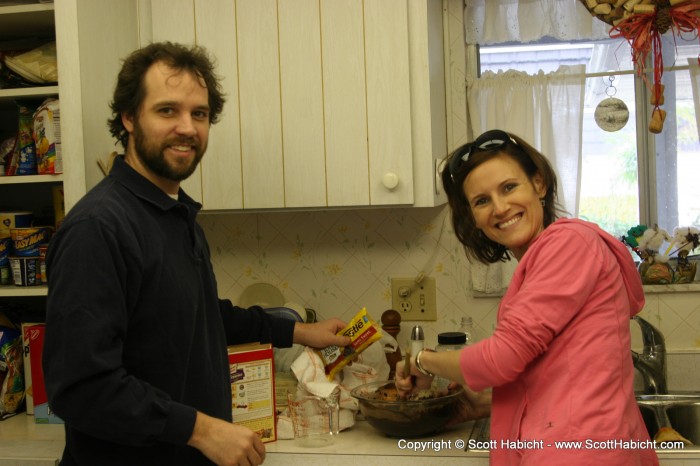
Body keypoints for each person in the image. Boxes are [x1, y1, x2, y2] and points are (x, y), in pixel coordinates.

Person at [43, 42, 350, 466]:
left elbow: (201, 316)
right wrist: (201, 430)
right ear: (129, 118)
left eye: (199, 114)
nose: (187, 127)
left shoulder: (173, 213)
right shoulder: (99, 229)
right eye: (167, 110)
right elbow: (81, 387)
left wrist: (298, 333)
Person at [396, 129, 659, 465]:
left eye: (509, 187)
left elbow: (501, 359)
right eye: (482, 200)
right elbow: (561, 382)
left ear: (538, 184)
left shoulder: (568, 245)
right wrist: (478, 405)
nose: (500, 207)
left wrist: (423, 360)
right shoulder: (544, 260)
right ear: (473, 218)